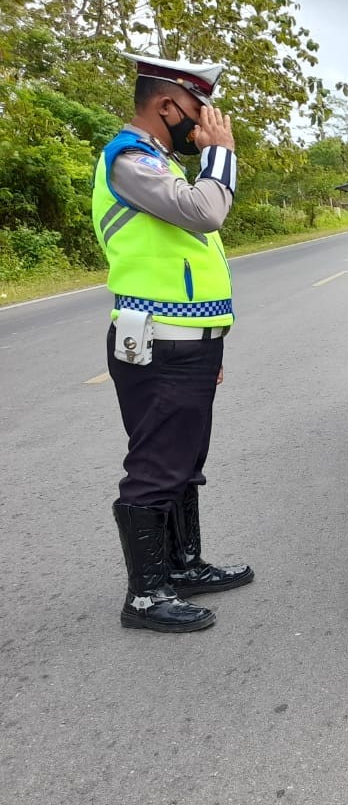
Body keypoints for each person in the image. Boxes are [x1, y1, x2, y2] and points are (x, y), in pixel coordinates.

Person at [94, 51, 254, 633]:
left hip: (189, 345)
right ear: (166, 105)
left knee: (185, 462)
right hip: (158, 344)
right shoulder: (130, 160)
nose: (205, 121)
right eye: (197, 110)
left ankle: (183, 564)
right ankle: (145, 594)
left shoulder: (160, 164)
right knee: (157, 467)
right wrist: (221, 153)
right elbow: (207, 214)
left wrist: (212, 347)